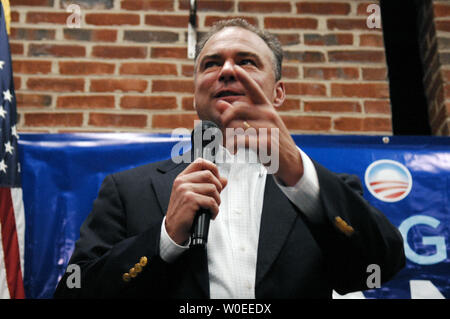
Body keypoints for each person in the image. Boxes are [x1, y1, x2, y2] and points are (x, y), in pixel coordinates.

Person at [54, 19, 405, 299]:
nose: (227, 71)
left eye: (246, 61)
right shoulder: (128, 190)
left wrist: (297, 173)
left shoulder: (324, 191)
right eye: (211, 63)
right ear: (196, 93)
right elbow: (74, 291)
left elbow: (379, 265)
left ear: (278, 92)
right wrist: (165, 237)